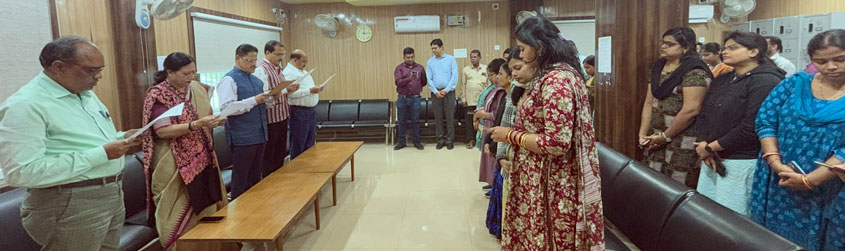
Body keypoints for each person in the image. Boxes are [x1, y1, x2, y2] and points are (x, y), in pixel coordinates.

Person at [0, 36, 140, 250]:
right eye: (91, 70)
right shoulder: (26, 105)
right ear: (59, 67)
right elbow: (22, 171)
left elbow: (83, 141)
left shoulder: (85, 95)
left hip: (110, 193)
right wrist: (102, 154)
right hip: (70, 201)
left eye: (100, 69)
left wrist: (121, 138)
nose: (99, 76)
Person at [488, 16, 604, 250]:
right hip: (539, 177)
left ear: (539, 47)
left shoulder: (557, 81)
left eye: (523, 49)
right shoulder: (550, 76)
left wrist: (509, 135)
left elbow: (556, 143)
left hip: (553, 183)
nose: (521, 55)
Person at [750, 29, 845, 251]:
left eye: (840, 59)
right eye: (821, 61)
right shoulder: (794, 84)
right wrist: (775, 163)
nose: (831, 67)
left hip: (829, 185)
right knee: (769, 239)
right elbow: (765, 120)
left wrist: (809, 180)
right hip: (777, 178)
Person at [141, 52, 229, 249]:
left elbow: (206, 115)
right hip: (172, 161)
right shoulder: (158, 94)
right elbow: (162, 131)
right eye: (185, 74)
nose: (191, 78)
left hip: (203, 157)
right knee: (176, 212)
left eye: (193, 73)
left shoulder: (195, 89)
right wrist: (196, 124)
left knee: (208, 205)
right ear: (169, 72)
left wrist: (214, 121)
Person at [693, 32, 785, 216]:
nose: (725, 51)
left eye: (733, 47)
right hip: (711, 155)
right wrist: (703, 143)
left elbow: (751, 127)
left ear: (754, 51)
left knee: (732, 219)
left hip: (741, 159)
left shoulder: (766, 80)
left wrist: (712, 147)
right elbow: (705, 114)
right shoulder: (723, 78)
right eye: (725, 48)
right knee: (707, 214)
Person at [639, 27, 713, 188]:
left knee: (677, 184)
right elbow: (649, 102)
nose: (663, 47)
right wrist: (643, 134)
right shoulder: (658, 67)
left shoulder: (695, 71)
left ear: (685, 47)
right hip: (656, 134)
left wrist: (666, 136)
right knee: (652, 180)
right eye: (663, 43)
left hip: (682, 136)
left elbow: (691, 110)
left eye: (669, 44)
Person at [217, 44, 277, 199]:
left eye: (255, 60)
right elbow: (227, 109)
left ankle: (255, 209)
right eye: (249, 60)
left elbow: (262, 105)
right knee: (241, 179)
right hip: (242, 137)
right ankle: (238, 214)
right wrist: (254, 100)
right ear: (238, 58)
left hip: (260, 133)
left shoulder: (257, 81)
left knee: (256, 177)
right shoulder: (229, 80)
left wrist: (270, 99)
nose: (254, 64)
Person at [494, 46, 533, 243]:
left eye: (518, 67)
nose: (515, 73)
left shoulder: (543, 89)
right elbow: (506, 124)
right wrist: (501, 156)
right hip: (513, 158)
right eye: (512, 69)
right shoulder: (516, 91)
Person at [254, 41, 299, 176]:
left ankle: (279, 181)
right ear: (267, 53)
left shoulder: (277, 68)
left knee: (280, 152)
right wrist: (286, 89)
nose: (281, 57)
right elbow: (263, 93)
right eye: (278, 54)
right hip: (270, 119)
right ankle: (270, 185)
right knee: (269, 155)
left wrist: (287, 89)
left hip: (282, 115)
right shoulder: (260, 69)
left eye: (283, 54)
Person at [485, 58, 516, 239]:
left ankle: (504, 230)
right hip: (501, 146)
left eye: (501, 75)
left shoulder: (514, 97)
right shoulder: (505, 95)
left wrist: (501, 152)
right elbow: (500, 122)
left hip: (507, 149)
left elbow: (508, 127)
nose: (497, 78)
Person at [476, 59, 507, 196]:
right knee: (488, 158)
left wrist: (485, 114)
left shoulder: (503, 92)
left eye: (493, 74)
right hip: (488, 126)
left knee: (494, 158)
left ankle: (494, 184)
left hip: (496, 127)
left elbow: (499, 113)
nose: (493, 78)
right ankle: (490, 182)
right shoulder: (494, 89)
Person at [285, 49, 323, 159]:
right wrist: (310, 91)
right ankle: (298, 170)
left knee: (309, 141)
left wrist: (317, 89)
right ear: (295, 60)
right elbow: (290, 95)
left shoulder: (303, 72)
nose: (305, 64)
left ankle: (308, 167)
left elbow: (307, 89)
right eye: (303, 61)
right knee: (299, 142)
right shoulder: (289, 73)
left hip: (310, 111)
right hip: (299, 111)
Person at [426, 38, 459, 150]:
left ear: (442, 47)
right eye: (432, 49)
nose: (434, 50)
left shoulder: (451, 60)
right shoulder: (430, 62)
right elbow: (429, 79)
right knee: (438, 117)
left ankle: (450, 140)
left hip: (449, 93)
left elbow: (454, 77)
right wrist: (435, 91)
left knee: (450, 117)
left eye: (435, 48)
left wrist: (446, 90)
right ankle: (440, 139)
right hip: (435, 94)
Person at [394, 47, 427, 150]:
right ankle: (401, 142)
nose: (410, 59)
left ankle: (416, 142)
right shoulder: (399, 68)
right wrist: (409, 79)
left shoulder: (420, 68)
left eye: (412, 57)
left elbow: (424, 81)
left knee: (416, 120)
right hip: (402, 98)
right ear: (404, 57)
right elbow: (398, 82)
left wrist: (417, 86)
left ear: (414, 56)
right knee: (401, 121)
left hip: (415, 98)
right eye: (408, 57)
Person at [461, 49, 488, 149]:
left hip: (482, 101)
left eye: (475, 57)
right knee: (469, 122)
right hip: (470, 100)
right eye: (471, 57)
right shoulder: (466, 70)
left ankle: (482, 140)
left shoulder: (485, 69)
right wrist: (463, 98)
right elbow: (463, 85)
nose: (473, 59)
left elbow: (489, 85)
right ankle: (471, 140)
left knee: (482, 121)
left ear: (480, 57)